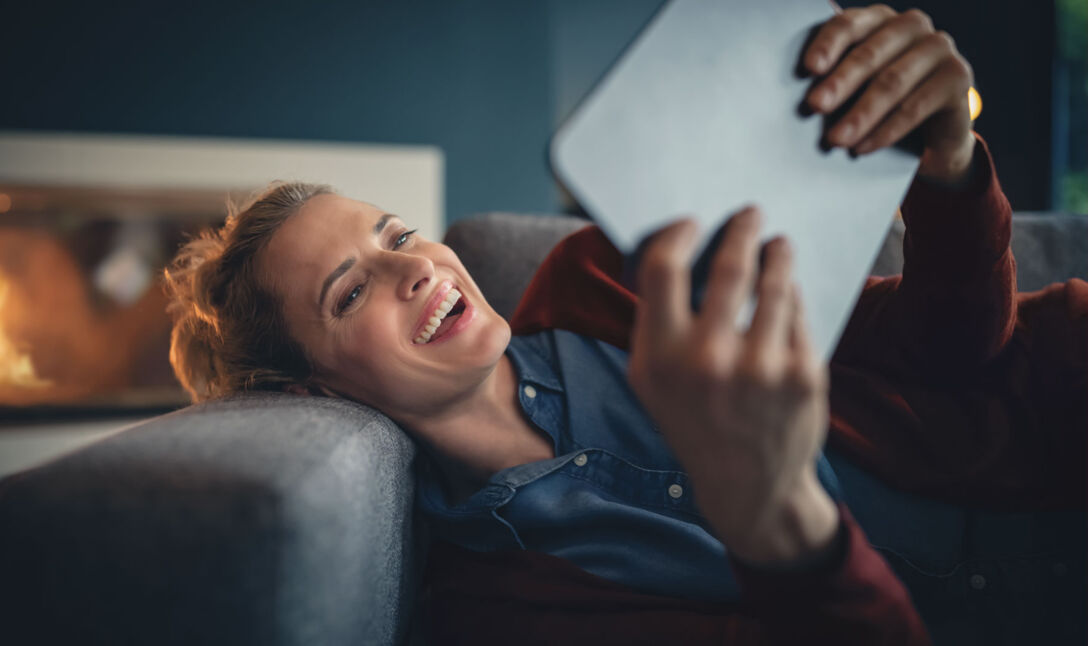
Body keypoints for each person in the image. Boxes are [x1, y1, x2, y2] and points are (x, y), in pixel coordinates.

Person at [164, 5, 1086, 644]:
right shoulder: (503, 611)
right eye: (349, 293)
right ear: (308, 389)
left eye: (397, 233)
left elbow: (949, 346)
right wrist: (785, 531)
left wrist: (950, 165)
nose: (415, 267)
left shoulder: (601, 277)